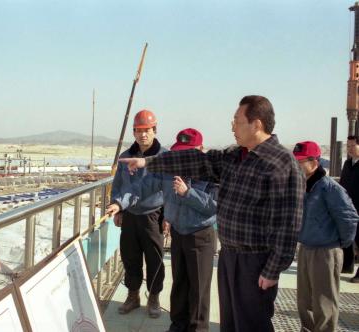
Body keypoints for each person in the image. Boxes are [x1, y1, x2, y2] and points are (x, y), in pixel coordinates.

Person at [119, 95, 305, 332]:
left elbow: (288, 224)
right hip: (229, 255)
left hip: (256, 261)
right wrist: (149, 163)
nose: (232, 126)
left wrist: (273, 269)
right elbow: (194, 160)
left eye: (237, 121)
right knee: (231, 322)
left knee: (252, 323)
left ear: (256, 124)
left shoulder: (281, 164)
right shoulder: (235, 156)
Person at [133, 128, 217, 332]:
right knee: (179, 284)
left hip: (200, 236)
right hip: (179, 233)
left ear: (201, 149)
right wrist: (121, 201)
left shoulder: (212, 172)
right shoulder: (171, 170)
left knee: (199, 289)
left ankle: (197, 329)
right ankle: (177, 325)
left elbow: (214, 205)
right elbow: (149, 187)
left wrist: (188, 193)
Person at [105, 109, 167, 318]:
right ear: (133, 132)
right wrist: (117, 207)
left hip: (153, 215)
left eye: (147, 130)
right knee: (130, 257)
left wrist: (167, 216)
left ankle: (154, 297)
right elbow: (119, 184)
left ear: (154, 130)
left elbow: (167, 188)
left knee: (155, 259)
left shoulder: (163, 156)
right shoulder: (126, 156)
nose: (143, 134)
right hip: (130, 215)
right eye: (138, 130)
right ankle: (133, 296)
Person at [292, 140, 358, 332]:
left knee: (324, 302)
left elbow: (349, 218)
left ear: (314, 162)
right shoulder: (303, 186)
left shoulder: (329, 188)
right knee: (305, 300)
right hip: (306, 248)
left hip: (325, 251)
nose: (297, 165)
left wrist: (340, 244)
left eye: (301, 161)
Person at [340, 135, 359, 282]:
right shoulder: (347, 164)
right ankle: (347, 265)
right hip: (347, 207)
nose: (350, 149)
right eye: (348, 146)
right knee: (347, 237)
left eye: (352, 146)